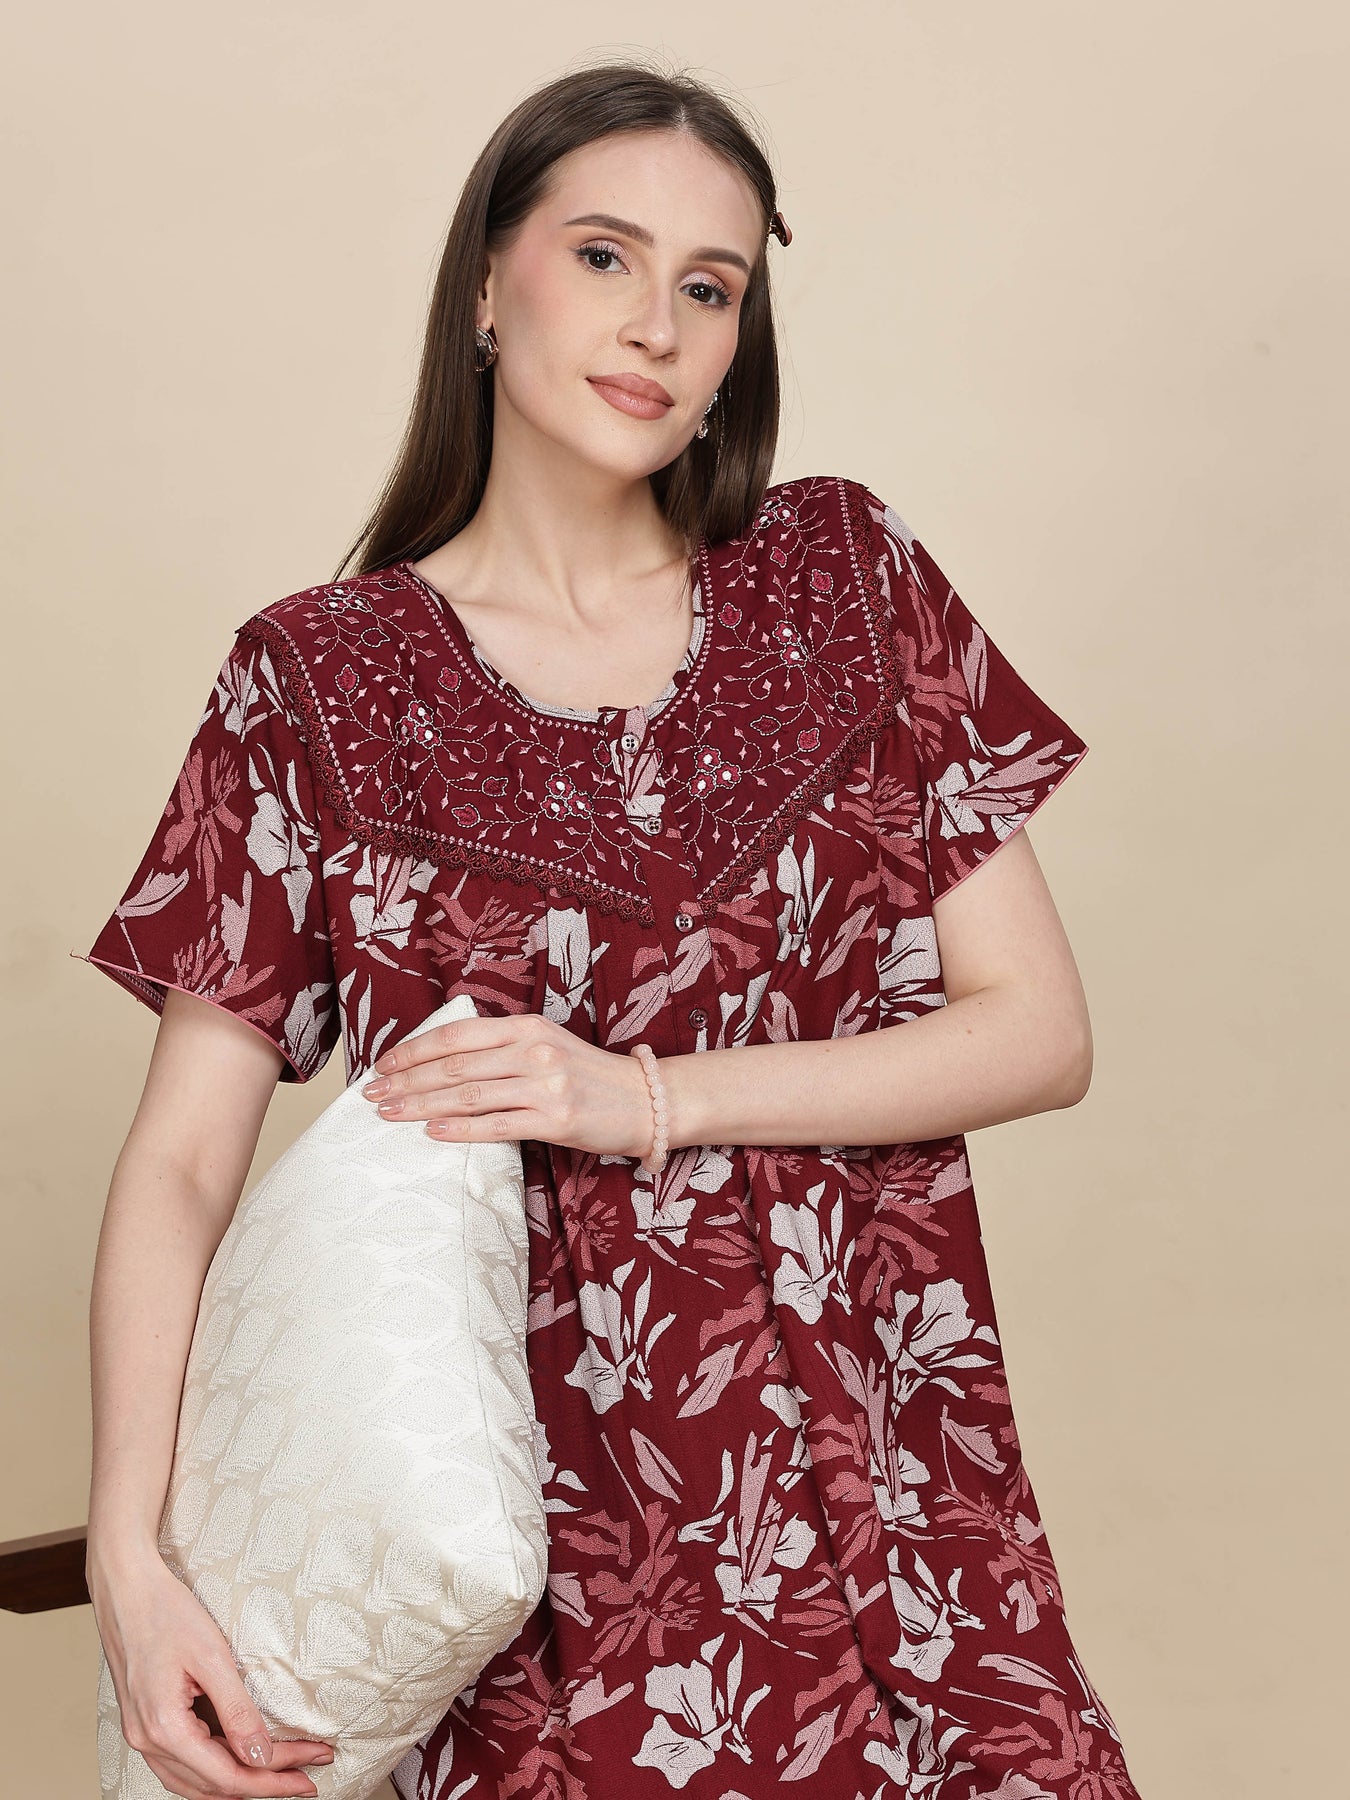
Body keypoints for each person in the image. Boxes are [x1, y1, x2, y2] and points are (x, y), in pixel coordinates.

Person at [74, 57, 1143, 1800]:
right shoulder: (317, 680)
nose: (657, 323)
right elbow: (183, 1164)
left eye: (709, 288)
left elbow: (1038, 1028)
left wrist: (637, 1098)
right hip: (549, 1567)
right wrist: (133, 1560)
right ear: (486, 287)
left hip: (900, 1503)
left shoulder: (844, 578)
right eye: (602, 257)